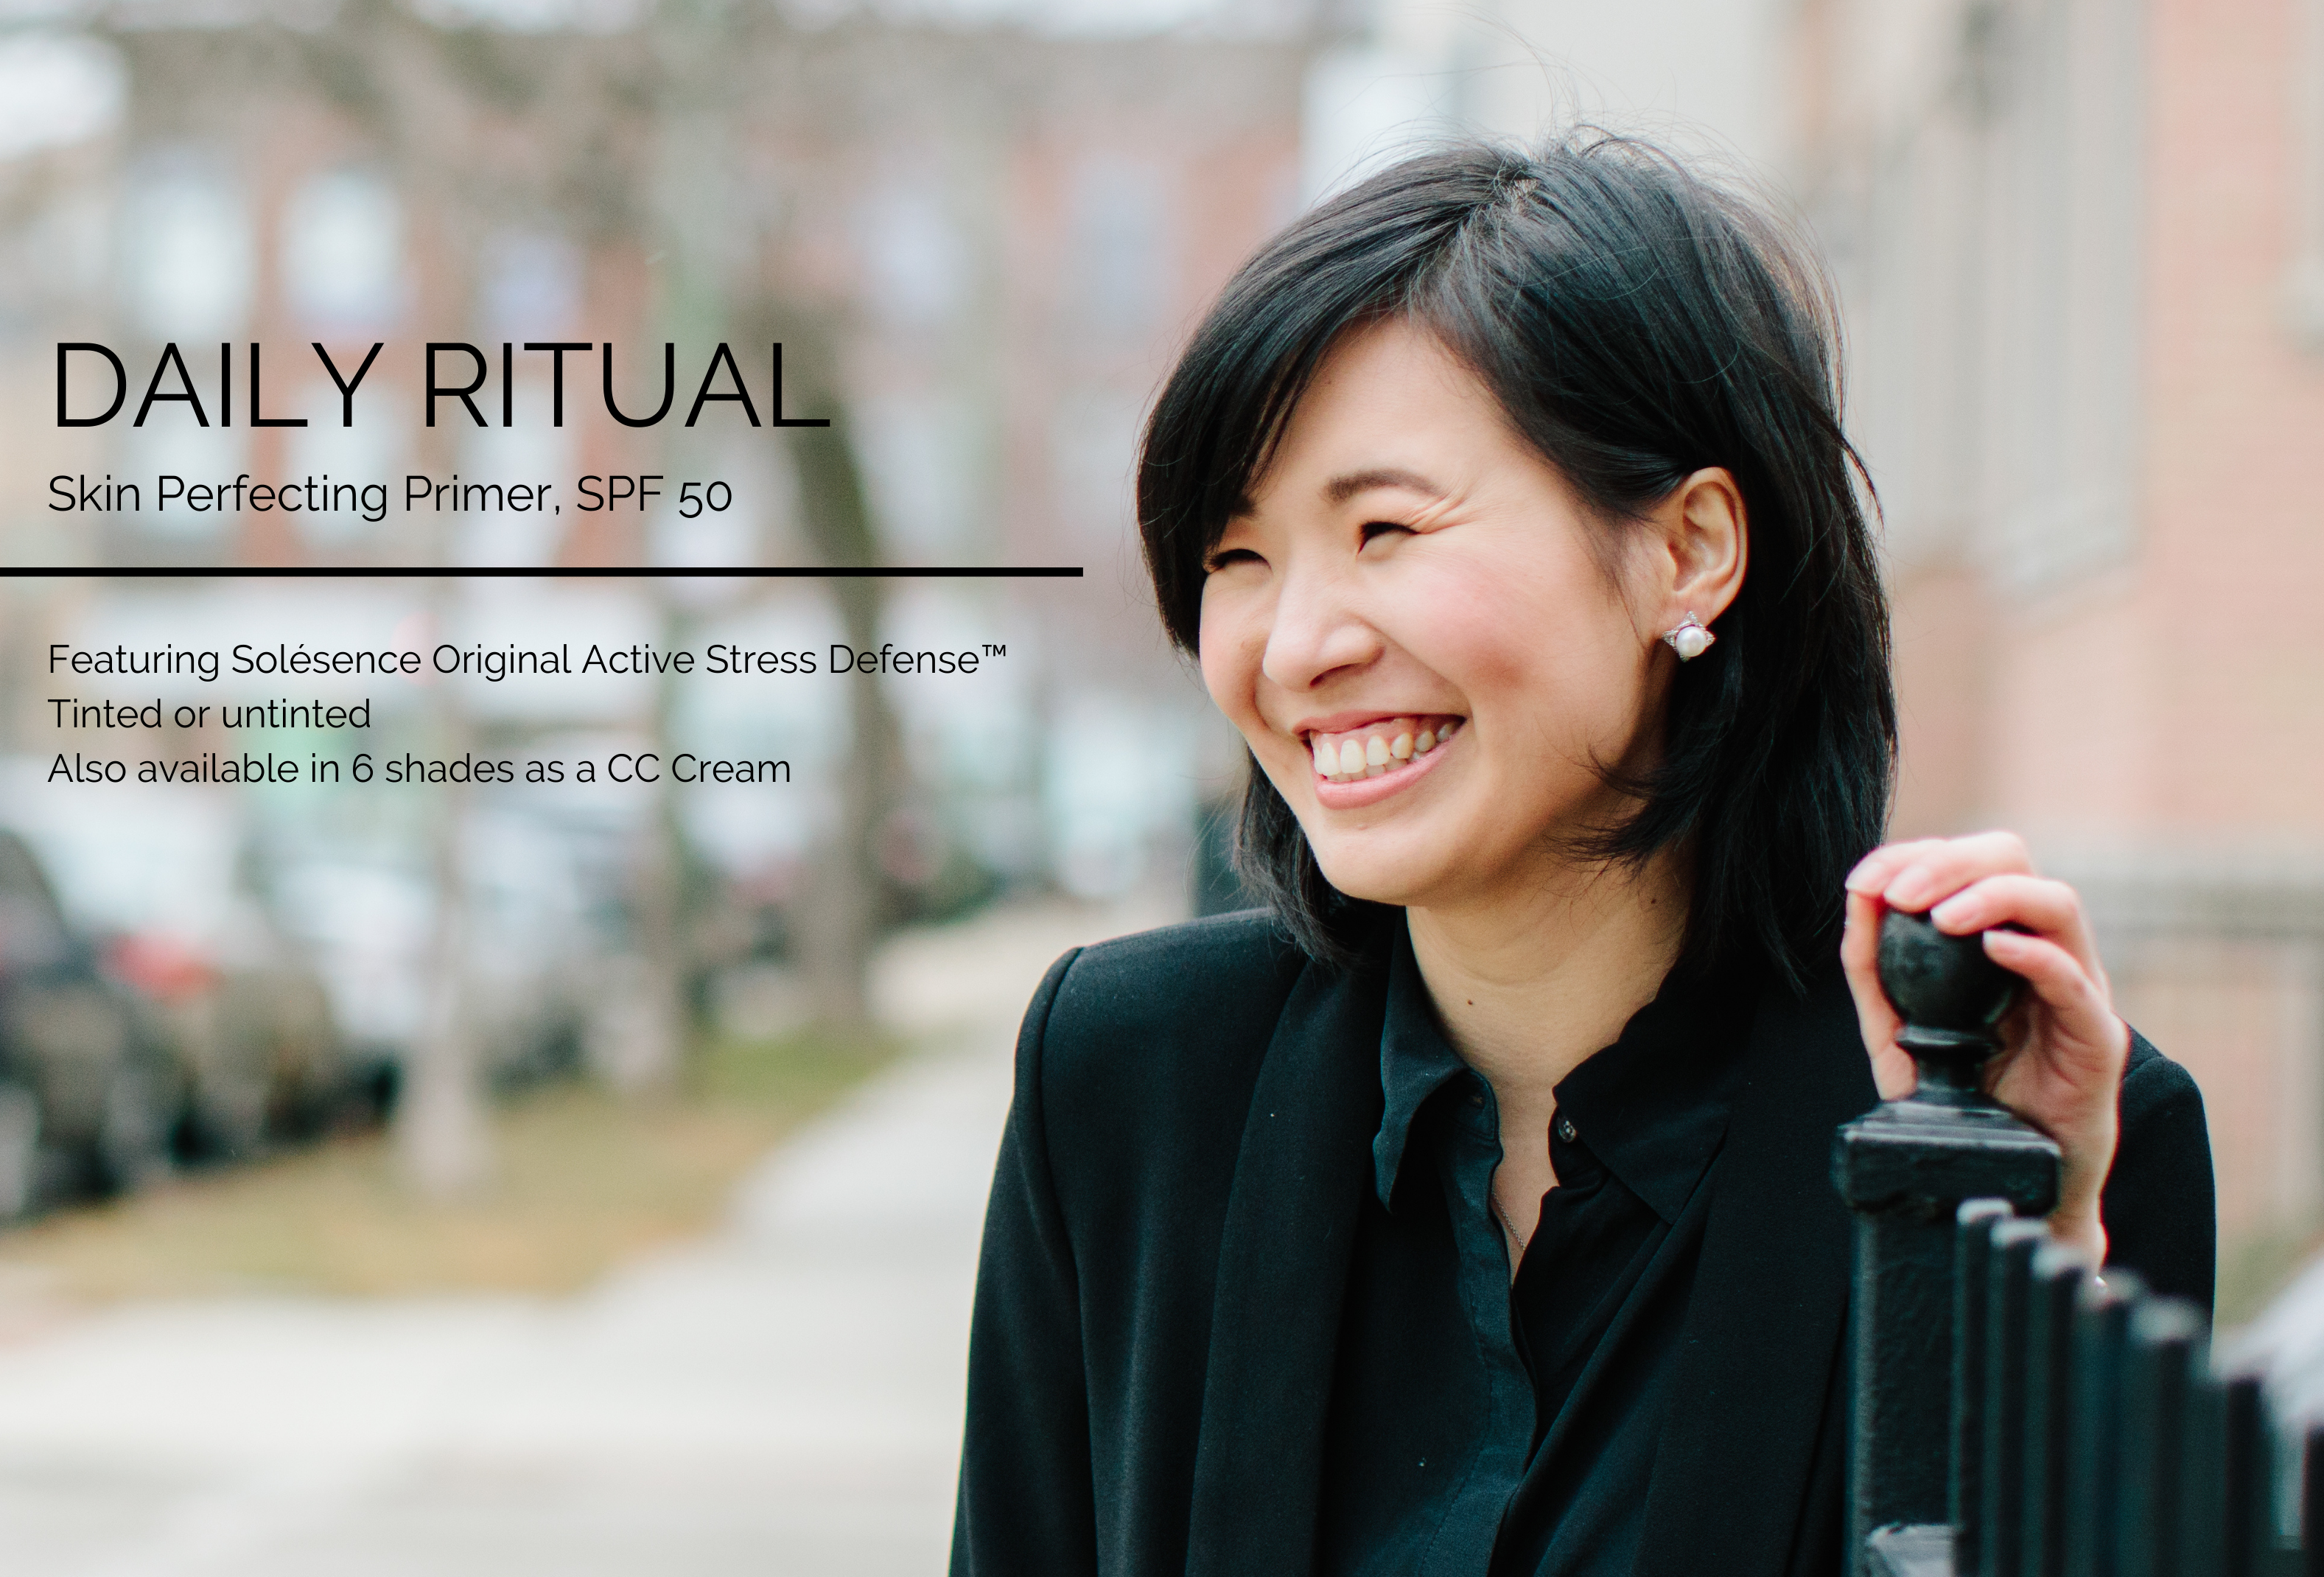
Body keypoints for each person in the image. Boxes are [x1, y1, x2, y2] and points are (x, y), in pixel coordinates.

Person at [950, 134, 2213, 1577]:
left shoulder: (2001, 1120)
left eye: (1384, 528)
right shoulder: (1127, 1080)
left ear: (1687, 549)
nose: (1294, 646)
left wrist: (2009, 1266)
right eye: (1237, 558)